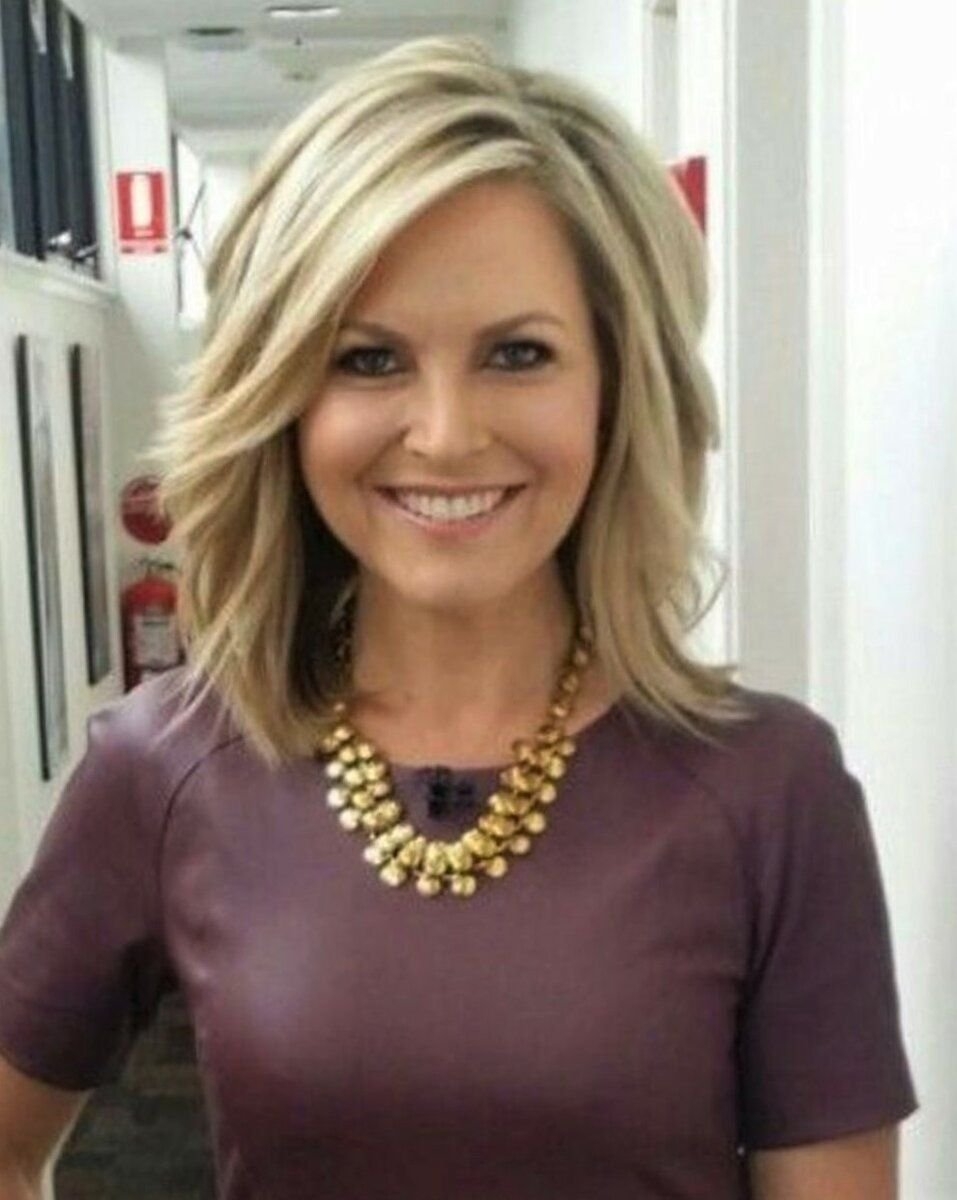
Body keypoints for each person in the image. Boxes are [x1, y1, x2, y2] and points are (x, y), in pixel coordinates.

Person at [0, 34, 918, 1200]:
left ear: (616, 386)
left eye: (519, 354)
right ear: (282, 398)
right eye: (370, 360)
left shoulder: (770, 792)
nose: (444, 434)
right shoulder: (165, 767)